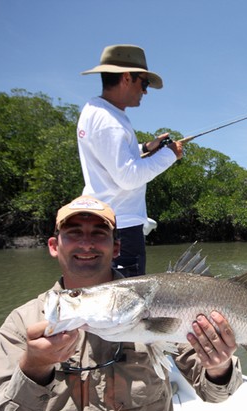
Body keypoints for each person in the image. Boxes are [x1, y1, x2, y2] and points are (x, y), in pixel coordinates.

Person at [0, 195, 242, 411]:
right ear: (53, 246)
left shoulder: (160, 303)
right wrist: (34, 367)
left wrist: (219, 366)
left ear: (116, 247)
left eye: (98, 233)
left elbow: (215, 394)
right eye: (73, 234)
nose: (86, 243)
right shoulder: (21, 323)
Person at [77, 44, 183, 277]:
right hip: (122, 228)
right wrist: (169, 155)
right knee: (128, 308)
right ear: (127, 78)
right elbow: (127, 176)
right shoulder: (110, 120)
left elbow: (110, 154)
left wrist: (146, 147)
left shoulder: (95, 110)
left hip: (107, 222)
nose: (145, 91)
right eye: (144, 83)